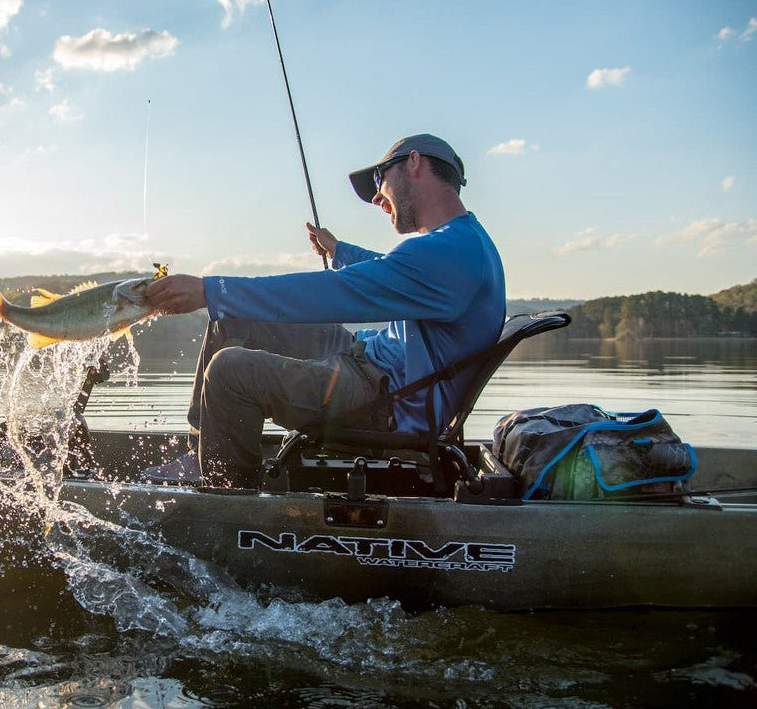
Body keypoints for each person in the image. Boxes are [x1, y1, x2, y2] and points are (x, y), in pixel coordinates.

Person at [143, 133, 506, 489]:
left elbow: (335, 292)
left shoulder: (450, 252)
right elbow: (389, 271)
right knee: (232, 321)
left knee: (229, 371)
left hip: (383, 401)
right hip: (368, 360)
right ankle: (202, 451)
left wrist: (210, 290)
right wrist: (340, 251)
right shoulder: (460, 243)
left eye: (379, 179)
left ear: (414, 162)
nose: (377, 197)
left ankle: (227, 497)